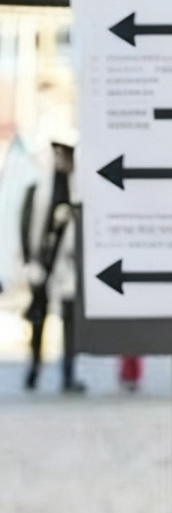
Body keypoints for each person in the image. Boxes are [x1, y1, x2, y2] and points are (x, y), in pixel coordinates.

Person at [19, 140, 82, 393]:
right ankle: (34, 367)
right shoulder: (38, 191)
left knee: (70, 320)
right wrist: (29, 262)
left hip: (67, 266)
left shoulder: (77, 191)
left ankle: (68, 373)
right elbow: (25, 226)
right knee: (38, 317)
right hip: (41, 264)